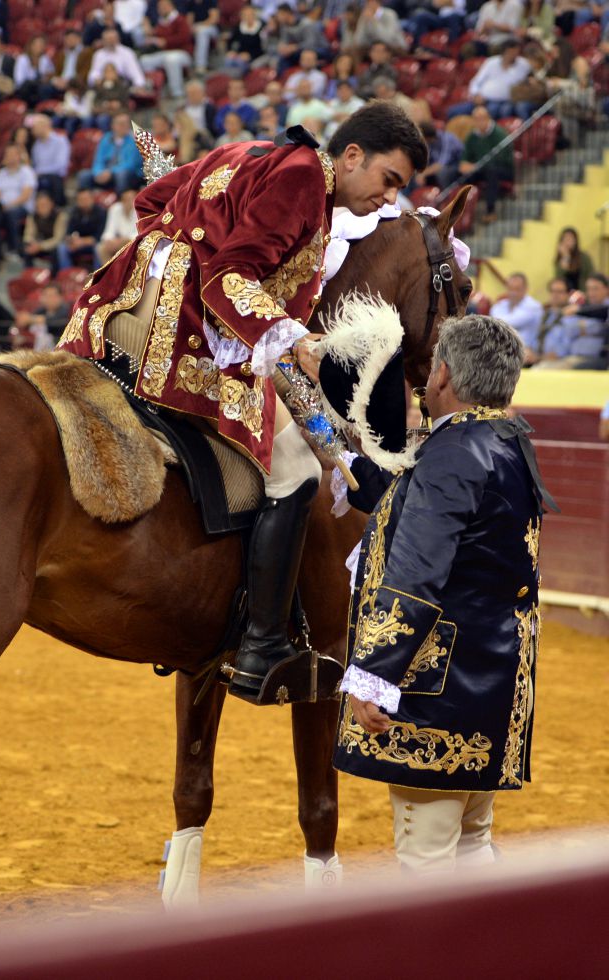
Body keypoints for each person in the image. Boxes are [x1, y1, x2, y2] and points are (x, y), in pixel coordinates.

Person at [57, 103, 429, 706]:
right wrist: (292, 338)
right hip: (176, 334)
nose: (390, 199)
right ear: (352, 155)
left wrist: (176, 248)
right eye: (389, 180)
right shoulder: (304, 179)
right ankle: (262, 646)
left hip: (118, 309)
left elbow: (155, 197)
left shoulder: (255, 152)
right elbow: (228, 279)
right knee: (296, 471)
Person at [334, 314, 553, 874]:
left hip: (439, 692)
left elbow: (415, 573)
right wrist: (339, 453)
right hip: (491, 685)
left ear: (445, 375)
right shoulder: (505, 441)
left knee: (425, 862)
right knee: (472, 846)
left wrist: (372, 673)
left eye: (433, 367)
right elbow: (422, 508)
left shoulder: (453, 451)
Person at [458, 105, 513, 225]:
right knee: (457, 174)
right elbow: (466, 155)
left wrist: (475, 166)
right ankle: (460, 215)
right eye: (476, 119)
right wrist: (464, 163)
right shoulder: (472, 136)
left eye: (482, 118)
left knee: (492, 172)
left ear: (488, 118)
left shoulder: (498, 133)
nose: (479, 122)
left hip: (503, 169)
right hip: (480, 169)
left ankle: (490, 211)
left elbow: (500, 158)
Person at [76, 110, 144, 195]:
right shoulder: (106, 138)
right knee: (84, 175)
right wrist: (98, 172)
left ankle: (120, 201)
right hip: (106, 173)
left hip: (128, 175)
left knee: (122, 175)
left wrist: (110, 172)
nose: (124, 126)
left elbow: (130, 164)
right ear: (113, 125)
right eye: (121, 123)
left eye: (126, 123)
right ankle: (87, 201)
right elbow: (98, 160)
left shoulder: (135, 140)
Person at [138, 0, 194, 101]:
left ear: (170, 6)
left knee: (171, 59)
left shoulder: (180, 19)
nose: (161, 9)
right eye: (159, 7)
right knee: (144, 60)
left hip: (182, 53)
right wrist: (152, 39)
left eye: (163, 6)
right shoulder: (161, 22)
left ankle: (177, 92)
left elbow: (184, 37)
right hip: (165, 53)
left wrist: (166, 42)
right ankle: (154, 90)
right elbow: (158, 37)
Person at [491, 272, 543, 354]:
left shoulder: (533, 306)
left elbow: (505, 323)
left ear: (526, 289)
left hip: (527, 352)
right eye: (510, 289)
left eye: (517, 289)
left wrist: (495, 321)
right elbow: (494, 318)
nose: (513, 293)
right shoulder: (501, 305)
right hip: (503, 351)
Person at [57, 186, 106, 270]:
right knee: (62, 248)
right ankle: (67, 273)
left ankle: (97, 274)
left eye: (86, 199)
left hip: (93, 244)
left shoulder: (101, 213)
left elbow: (100, 236)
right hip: (77, 244)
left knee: (99, 247)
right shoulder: (74, 212)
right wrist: (71, 240)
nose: (84, 202)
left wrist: (82, 242)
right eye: (81, 200)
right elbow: (68, 233)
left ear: (92, 199)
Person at [552, 226, 594, 293]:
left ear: (575, 241)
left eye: (570, 238)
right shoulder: (561, 259)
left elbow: (591, 276)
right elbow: (559, 278)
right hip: (565, 295)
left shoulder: (584, 257)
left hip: (581, 294)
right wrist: (566, 256)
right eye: (565, 238)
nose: (568, 241)